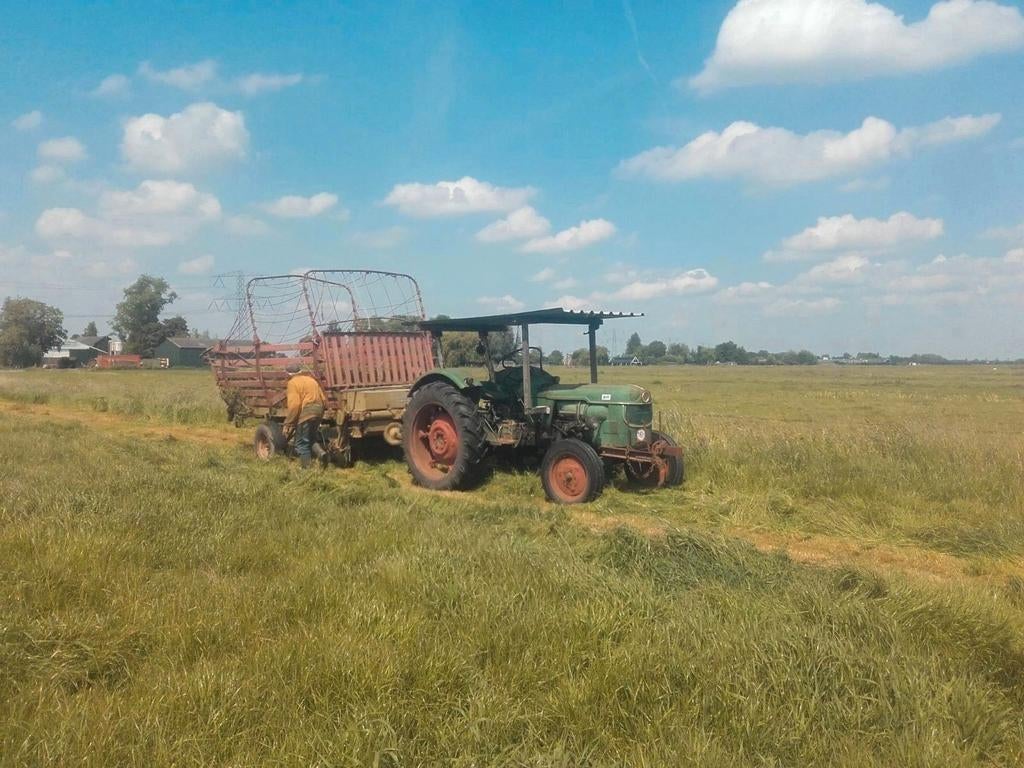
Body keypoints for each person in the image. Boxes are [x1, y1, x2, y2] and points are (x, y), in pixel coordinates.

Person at [283, 362, 326, 468]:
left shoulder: (292, 383)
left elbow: (295, 405)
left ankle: (306, 468)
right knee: (311, 439)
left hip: (306, 412)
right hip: (319, 410)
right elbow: (323, 399)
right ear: (300, 371)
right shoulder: (312, 380)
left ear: (289, 374)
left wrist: (288, 422)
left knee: (301, 443)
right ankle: (322, 454)